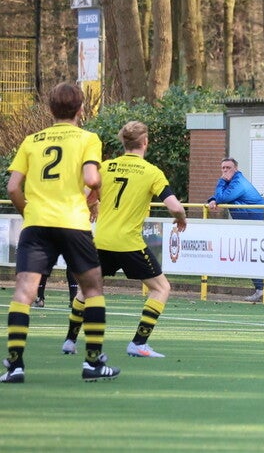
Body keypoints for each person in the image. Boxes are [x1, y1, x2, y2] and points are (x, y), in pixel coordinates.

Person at [2, 82, 120, 383]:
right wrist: (97, 191)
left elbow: (13, 187)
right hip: (72, 222)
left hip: (37, 224)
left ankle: (15, 366)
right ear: (81, 109)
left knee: (24, 293)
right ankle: (92, 363)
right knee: (92, 289)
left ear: (50, 109)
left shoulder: (32, 141)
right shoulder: (87, 138)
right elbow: (91, 178)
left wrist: (28, 212)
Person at [61, 121, 187, 358]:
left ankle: (69, 340)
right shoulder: (151, 172)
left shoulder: (106, 167)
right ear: (145, 142)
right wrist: (181, 218)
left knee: (87, 289)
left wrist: (93, 205)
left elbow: (84, 196)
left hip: (102, 241)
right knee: (161, 288)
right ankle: (139, 342)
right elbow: (174, 206)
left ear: (123, 143)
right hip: (129, 243)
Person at [207, 157, 264, 302]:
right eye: (223, 168)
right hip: (248, 225)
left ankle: (262, 288)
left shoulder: (238, 182)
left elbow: (224, 197)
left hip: (259, 224)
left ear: (236, 169)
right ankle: (261, 289)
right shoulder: (232, 183)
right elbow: (221, 196)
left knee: (257, 257)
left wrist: (220, 183)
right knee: (250, 257)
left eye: (228, 168)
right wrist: (212, 199)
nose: (225, 171)